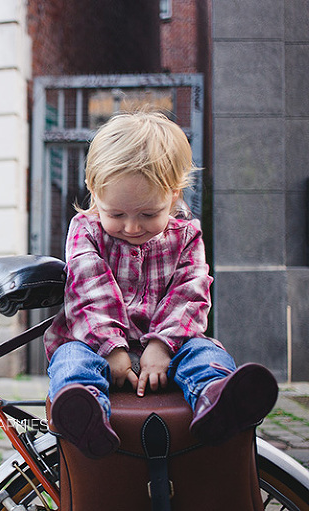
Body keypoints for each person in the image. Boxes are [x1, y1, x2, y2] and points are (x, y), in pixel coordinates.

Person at [44, 111, 278, 459]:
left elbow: (190, 292)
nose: (133, 227)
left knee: (208, 354)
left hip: (173, 346)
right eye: (117, 214)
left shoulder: (186, 235)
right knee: (69, 360)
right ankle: (85, 415)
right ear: (95, 192)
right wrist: (113, 350)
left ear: (173, 194)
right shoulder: (86, 229)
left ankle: (217, 401)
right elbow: (88, 292)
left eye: (149, 214)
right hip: (95, 346)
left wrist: (162, 346)